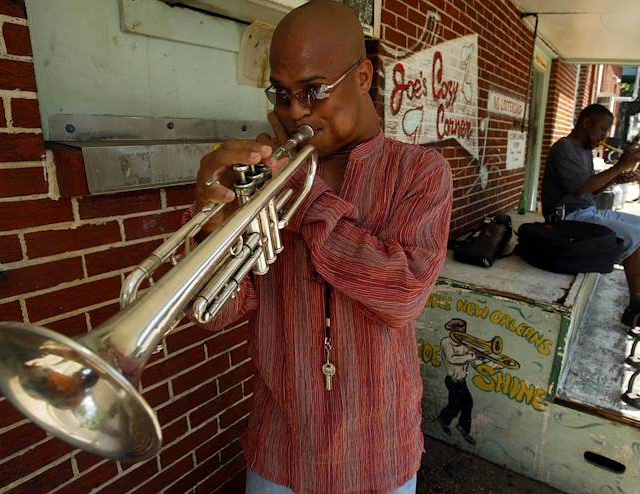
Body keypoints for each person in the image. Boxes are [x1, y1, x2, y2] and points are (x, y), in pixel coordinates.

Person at [189, 1, 453, 492]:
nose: (295, 113)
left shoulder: (421, 172)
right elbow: (218, 313)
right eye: (282, 94)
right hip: (280, 446)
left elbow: (403, 294)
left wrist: (306, 200)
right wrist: (213, 224)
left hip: (378, 449)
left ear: (363, 76)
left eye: (313, 91)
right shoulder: (261, 182)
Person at [541, 104, 640, 337]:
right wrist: (619, 167)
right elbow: (581, 189)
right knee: (638, 238)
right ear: (586, 123)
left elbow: (590, 192)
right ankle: (637, 308)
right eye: (602, 129)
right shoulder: (564, 148)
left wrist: (616, 178)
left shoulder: (585, 150)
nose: (604, 136)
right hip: (566, 217)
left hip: (586, 211)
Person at [438, 318, 480, 446]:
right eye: (461, 332)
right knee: (455, 406)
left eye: (464, 332)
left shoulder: (464, 346)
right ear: (454, 330)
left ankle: (462, 427)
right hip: (452, 380)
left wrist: (484, 359)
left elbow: (474, 361)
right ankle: (443, 419)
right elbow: (452, 359)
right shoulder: (446, 343)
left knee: (467, 403)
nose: (463, 335)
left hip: (461, 381)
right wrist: (470, 356)